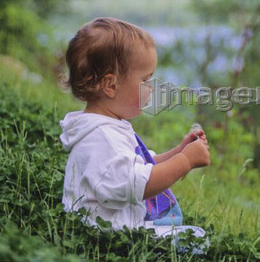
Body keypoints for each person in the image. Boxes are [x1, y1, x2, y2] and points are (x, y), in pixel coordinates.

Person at [59, 17, 210, 244]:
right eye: (145, 80)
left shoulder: (107, 127)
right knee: (196, 240)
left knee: (194, 237)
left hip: (118, 229)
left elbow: (141, 167)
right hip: (107, 239)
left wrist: (179, 151)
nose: (150, 88)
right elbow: (139, 185)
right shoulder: (101, 139)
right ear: (111, 85)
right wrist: (185, 161)